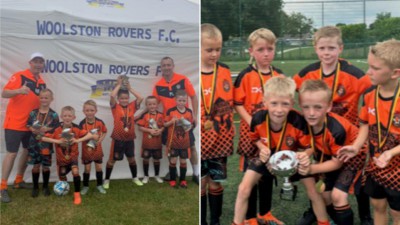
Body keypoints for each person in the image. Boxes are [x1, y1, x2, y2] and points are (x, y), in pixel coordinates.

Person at [293, 26, 373, 225]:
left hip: (348, 138)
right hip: (319, 137)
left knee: (358, 180)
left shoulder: (354, 74)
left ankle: (365, 216)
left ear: (341, 48)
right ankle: (316, 209)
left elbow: (373, 93)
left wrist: (367, 120)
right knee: (326, 182)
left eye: (331, 48)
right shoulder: (307, 73)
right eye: (322, 48)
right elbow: (288, 90)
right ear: (315, 48)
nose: (327, 52)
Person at [232, 77, 314, 225]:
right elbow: (255, 137)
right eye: (274, 103)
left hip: (290, 160)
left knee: (314, 187)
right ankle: (237, 222)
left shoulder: (298, 121)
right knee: (244, 187)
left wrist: (303, 155)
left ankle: (322, 219)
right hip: (266, 157)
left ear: (292, 104)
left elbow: (310, 147)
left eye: (285, 104)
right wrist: (262, 147)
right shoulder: (257, 118)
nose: (279, 109)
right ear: (265, 103)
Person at [338, 39, 400, 225]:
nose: (368, 72)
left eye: (375, 68)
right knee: (378, 205)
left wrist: (391, 152)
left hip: (398, 170)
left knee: (397, 213)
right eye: (369, 66)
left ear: (395, 73)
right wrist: (356, 147)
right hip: (375, 165)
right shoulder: (369, 95)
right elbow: (365, 124)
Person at [299, 79, 370, 225]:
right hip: (330, 152)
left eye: (318, 107)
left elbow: (337, 163)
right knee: (324, 196)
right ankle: (334, 219)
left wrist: (311, 168)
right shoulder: (304, 122)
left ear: (329, 106)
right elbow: (313, 142)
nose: (311, 113)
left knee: (338, 196)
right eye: (306, 107)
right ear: (300, 106)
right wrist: (305, 154)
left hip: (353, 156)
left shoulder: (337, 129)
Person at [233, 28, 284, 224]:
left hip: (274, 136)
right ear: (251, 51)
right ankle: (250, 217)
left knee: (269, 175)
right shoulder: (245, 75)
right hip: (252, 136)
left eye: (269, 49)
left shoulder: (279, 75)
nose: (265, 54)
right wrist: (254, 124)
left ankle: (265, 212)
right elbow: (238, 104)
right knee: (252, 176)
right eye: (260, 49)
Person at [1, 52, 47, 203]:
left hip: (31, 126)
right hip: (14, 123)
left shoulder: (41, 82)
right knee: (11, 154)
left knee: (27, 152)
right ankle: (2, 188)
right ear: (30, 62)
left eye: (41, 62)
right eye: (36, 61)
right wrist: (19, 91)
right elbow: (4, 93)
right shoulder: (20, 76)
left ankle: (18, 180)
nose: (38, 64)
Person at [200, 23, 235, 225]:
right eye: (209, 50)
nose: (214, 54)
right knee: (202, 183)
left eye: (218, 49)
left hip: (221, 140)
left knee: (216, 182)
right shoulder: (195, 73)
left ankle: (215, 220)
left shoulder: (225, 71)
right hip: (202, 141)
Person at [152, 56, 199, 184]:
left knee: (192, 147)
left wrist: (194, 115)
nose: (166, 67)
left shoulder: (183, 80)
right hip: (170, 122)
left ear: (173, 66)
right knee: (170, 148)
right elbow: (153, 105)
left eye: (168, 65)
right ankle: (174, 172)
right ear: (161, 68)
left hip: (185, 122)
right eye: (164, 65)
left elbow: (194, 97)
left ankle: (196, 173)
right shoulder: (158, 85)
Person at [41, 106, 98, 205]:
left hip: (73, 157)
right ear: (61, 117)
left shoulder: (77, 128)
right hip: (61, 159)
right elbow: (42, 137)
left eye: (69, 116)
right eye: (65, 116)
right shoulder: (56, 128)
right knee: (62, 176)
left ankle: (77, 195)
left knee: (75, 172)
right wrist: (57, 141)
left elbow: (93, 135)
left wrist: (77, 140)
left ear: (74, 117)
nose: (67, 118)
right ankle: (64, 188)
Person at [103, 76, 144, 189]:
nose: (124, 100)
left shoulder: (132, 106)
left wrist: (130, 88)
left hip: (130, 139)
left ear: (129, 98)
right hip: (117, 138)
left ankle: (135, 178)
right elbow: (112, 96)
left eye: (126, 98)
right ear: (119, 99)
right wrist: (119, 85)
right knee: (112, 160)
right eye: (122, 98)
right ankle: (106, 180)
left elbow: (141, 98)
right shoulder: (115, 107)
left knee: (131, 159)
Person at [26, 89, 59, 197]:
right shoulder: (33, 113)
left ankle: (45, 186)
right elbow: (28, 125)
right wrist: (32, 129)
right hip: (34, 144)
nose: (44, 99)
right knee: (35, 166)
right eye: (42, 97)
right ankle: (35, 187)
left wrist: (47, 129)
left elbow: (56, 129)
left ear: (51, 99)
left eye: (46, 97)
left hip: (46, 145)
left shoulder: (54, 114)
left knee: (45, 166)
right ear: (39, 98)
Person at [164, 89, 194, 189]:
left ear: (186, 101)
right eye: (179, 100)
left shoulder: (189, 112)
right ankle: (172, 180)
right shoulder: (171, 111)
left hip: (184, 142)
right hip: (173, 141)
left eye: (184, 101)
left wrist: (188, 127)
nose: (181, 103)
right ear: (175, 100)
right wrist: (172, 121)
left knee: (183, 161)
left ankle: (183, 180)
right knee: (173, 160)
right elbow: (165, 124)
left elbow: (191, 126)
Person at [78, 100, 107, 195]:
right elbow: (80, 136)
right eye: (87, 110)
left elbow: (105, 131)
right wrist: (90, 136)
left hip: (97, 149)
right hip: (87, 150)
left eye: (92, 110)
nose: (89, 112)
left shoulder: (99, 122)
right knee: (87, 169)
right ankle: (85, 186)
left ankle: (99, 185)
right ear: (83, 111)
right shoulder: (82, 123)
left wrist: (100, 140)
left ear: (96, 111)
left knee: (99, 167)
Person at [136, 96, 164, 184]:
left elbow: (164, 126)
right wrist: (149, 130)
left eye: (154, 104)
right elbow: (139, 127)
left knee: (156, 159)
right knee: (146, 159)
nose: (152, 106)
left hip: (157, 143)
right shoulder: (144, 115)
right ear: (146, 105)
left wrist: (160, 130)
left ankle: (157, 175)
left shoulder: (161, 115)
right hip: (146, 143)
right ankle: (146, 176)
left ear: (157, 105)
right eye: (150, 104)